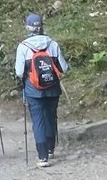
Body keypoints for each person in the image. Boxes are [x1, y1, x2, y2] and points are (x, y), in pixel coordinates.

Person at [15, 13, 68, 167]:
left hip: (33, 89)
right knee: (51, 116)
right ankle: (51, 149)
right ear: (42, 26)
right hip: (52, 87)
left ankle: (43, 156)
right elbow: (64, 68)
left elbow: (19, 72)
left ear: (27, 27)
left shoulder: (23, 47)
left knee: (38, 120)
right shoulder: (52, 44)